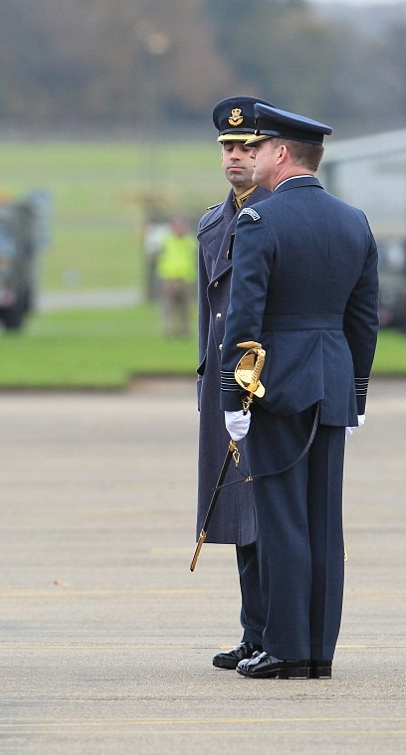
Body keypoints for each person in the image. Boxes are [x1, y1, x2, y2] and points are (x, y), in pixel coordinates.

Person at [220, 103, 378, 679]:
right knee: (323, 521)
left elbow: (244, 322)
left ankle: (285, 649)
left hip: (277, 386)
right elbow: (364, 321)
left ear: (281, 154)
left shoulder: (260, 222)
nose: (249, 155)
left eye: (258, 148)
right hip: (332, 383)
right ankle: (317, 650)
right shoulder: (353, 220)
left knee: (282, 518)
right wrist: (355, 392)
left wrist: (231, 401)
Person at [196, 96, 271, 672]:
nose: (235, 157)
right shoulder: (211, 225)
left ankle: (276, 630)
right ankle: (253, 630)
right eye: (228, 147)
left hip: (268, 385)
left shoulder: (278, 216)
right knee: (240, 513)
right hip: (225, 386)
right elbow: (211, 318)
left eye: (246, 147)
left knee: (271, 514)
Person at [155, 216, 197, 338]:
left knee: (186, 308)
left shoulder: (190, 241)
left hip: (186, 278)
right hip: (169, 278)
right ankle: (169, 331)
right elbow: (156, 255)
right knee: (168, 307)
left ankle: (184, 332)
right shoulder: (166, 240)